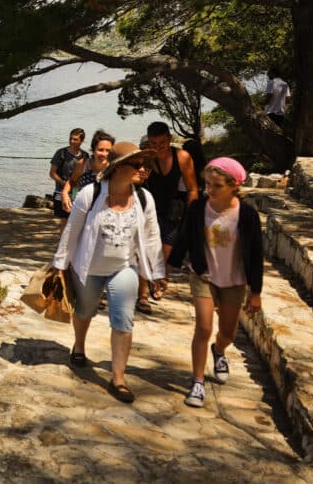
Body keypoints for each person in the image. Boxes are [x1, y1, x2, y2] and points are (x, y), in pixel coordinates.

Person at [52, 141, 165, 403]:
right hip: (88, 268)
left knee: (124, 319)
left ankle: (118, 379)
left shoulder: (144, 199)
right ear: (117, 168)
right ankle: (79, 346)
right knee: (84, 310)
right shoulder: (89, 195)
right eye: (136, 164)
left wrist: (157, 272)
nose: (143, 170)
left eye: (145, 165)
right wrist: (60, 265)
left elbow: (151, 237)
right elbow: (72, 232)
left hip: (124, 268)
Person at [168, 157, 263, 409]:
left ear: (234, 185)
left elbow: (255, 254)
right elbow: (184, 238)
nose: (209, 189)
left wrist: (256, 292)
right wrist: (168, 267)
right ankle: (198, 381)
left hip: (234, 281)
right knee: (203, 327)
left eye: (217, 185)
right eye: (207, 183)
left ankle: (219, 351)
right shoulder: (198, 208)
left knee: (228, 332)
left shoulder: (248, 215)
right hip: (204, 275)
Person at [142, 121, 199, 308]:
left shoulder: (182, 157)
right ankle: (147, 285)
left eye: (162, 143)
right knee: (148, 250)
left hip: (173, 212)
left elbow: (192, 188)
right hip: (150, 210)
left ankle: (161, 280)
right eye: (153, 144)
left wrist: (192, 215)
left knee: (166, 253)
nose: (158, 148)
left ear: (170, 139)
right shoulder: (146, 158)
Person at [61, 129, 115, 214]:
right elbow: (72, 181)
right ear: (93, 150)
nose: (104, 154)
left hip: (103, 212)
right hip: (81, 211)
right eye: (100, 150)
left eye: (108, 150)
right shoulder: (83, 164)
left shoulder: (114, 168)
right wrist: (64, 194)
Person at [49, 128, 89, 223]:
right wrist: (64, 183)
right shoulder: (61, 153)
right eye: (70, 138)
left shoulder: (85, 156)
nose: (72, 141)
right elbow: (52, 173)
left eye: (75, 139)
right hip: (61, 192)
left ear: (81, 141)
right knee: (63, 221)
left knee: (77, 221)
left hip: (78, 194)